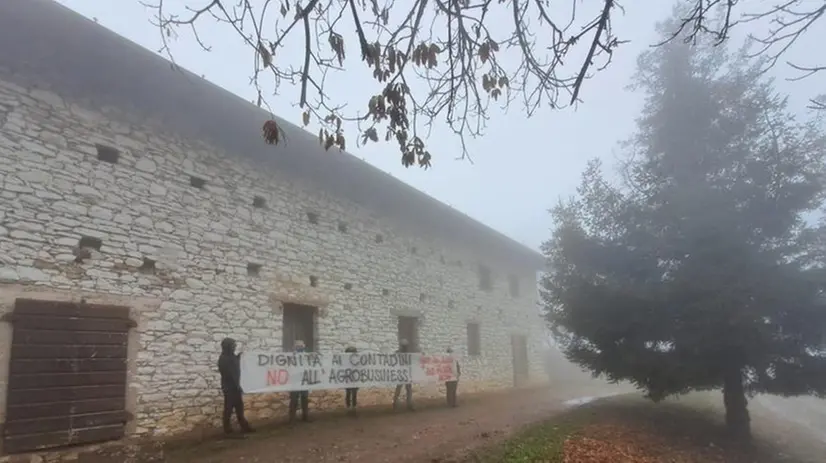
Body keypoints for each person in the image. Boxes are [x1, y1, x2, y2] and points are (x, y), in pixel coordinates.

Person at [217, 337, 254, 436]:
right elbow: (230, 374)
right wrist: (237, 385)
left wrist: (240, 356)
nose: (234, 347)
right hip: (229, 388)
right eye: (233, 345)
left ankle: (244, 426)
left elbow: (235, 363)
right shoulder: (223, 359)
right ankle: (227, 429)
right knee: (228, 409)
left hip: (236, 387)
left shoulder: (231, 356)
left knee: (239, 408)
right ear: (228, 346)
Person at [288, 339, 311, 422]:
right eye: (298, 346)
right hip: (294, 380)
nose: (300, 347)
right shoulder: (290, 356)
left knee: (304, 399)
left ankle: (305, 416)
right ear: (295, 347)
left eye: (301, 346)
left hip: (304, 380)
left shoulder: (307, 356)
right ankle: (292, 418)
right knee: (294, 399)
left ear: (304, 346)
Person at [392, 339, 414, 411]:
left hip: (406, 374)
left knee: (408, 390)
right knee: (400, 389)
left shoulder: (408, 354)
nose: (405, 347)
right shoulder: (399, 353)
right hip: (401, 374)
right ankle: (395, 404)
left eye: (405, 346)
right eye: (404, 346)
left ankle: (409, 404)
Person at [343, 346, 359, 412]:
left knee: (354, 393)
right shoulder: (345, 361)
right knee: (348, 392)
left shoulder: (357, 360)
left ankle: (353, 406)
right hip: (348, 379)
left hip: (355, 379)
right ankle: (348, 406)